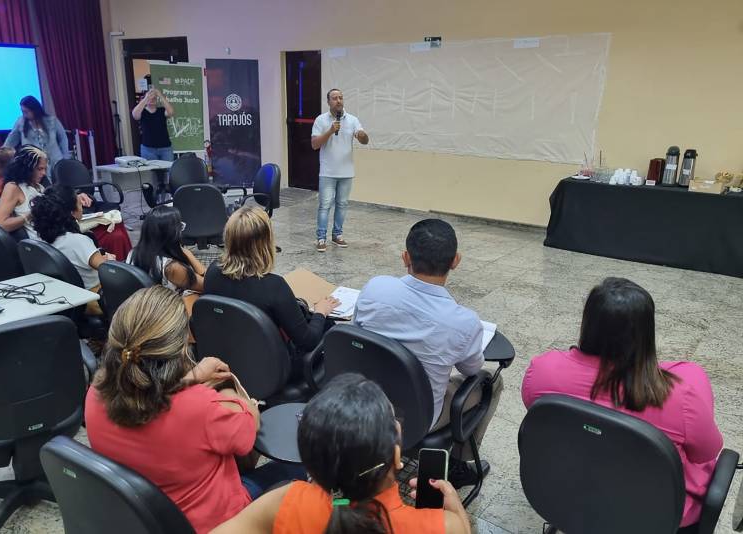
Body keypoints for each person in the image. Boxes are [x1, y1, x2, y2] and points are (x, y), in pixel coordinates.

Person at [86, 286, 304, 533]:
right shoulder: (202, 408)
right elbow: (248, 430)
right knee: (298, 466)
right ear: (181, 346)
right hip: (215, 524)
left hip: (146, 519)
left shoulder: (95, 391)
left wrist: (191, 378)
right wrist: (228, 389)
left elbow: (148, 392)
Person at [522, 277, 723, 532]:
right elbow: (707, 452)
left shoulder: (542, 370)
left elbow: (536, 415)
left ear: (588, 322)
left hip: (567, 493)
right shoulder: (682, 393)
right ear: (646, 332)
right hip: (653, 515)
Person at [212, 373, 472, 534]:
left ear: (310, 466)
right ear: (395, 456)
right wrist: (458, 512)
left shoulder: (285, 500)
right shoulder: (443, 527)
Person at [353, 219, 501, 487]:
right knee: (491, 380)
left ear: (405, 257)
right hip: (417, 419)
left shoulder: (374, 288)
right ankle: (457, 466)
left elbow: (357, 332)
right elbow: (471, 370)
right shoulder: (463, 322)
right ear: (455, 261)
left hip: (362, 402)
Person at [203, 206, 339, 367]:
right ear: (266, 243)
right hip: (268, 368)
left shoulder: (212, 272)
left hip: (226, 357)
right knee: (329, 327)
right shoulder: (274, 286)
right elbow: (308, 341)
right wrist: (321, 312)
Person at [30, 184, 114, 313]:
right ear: (72, 213)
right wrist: (110, 260)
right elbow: (107, 270)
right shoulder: (79, 241)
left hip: (69, 298)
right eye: (79, 204)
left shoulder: (41, 240)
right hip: (95, 299)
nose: (82, 208)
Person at [311, 88, 369, 252]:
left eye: (341, 98)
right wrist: (330, 131)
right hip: (328, 172)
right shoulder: (321, 120)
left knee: (342, 204)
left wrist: (362, 135)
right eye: (335, 98)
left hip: (346, 172)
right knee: (325, 205)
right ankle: (321, 238)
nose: (338, 101)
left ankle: (337, 235)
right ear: (328, 102)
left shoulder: (352, 120)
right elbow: (314, 145)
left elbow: (364, 140)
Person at [128, 206, 205, 293]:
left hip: (144, 299)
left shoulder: (133, 253)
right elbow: (207, 285)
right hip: (168, 301)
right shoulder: (172, 268)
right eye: (180, 227)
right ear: (172, 235)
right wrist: (188, 254)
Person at [3, 95, 69, 170]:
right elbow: (11, 140)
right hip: (33, 165)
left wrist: (65, 157)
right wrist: (2, 154)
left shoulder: (52, 121)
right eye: (23, 111)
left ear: (34, 110)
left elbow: (63, 138)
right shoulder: (20, 122)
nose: (24, 114)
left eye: (26, 111)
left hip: (55, 162)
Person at [131, 85, 174, 161]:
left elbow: (171, 112)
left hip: (165, 148)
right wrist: (146, 98)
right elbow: (135, 115)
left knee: (168, 168)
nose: (152, 99)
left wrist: (160, 95)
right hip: (148, 149)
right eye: (150, 98)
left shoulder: (161, 110)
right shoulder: (142, 112)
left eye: (154, 98)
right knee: (151, 169)